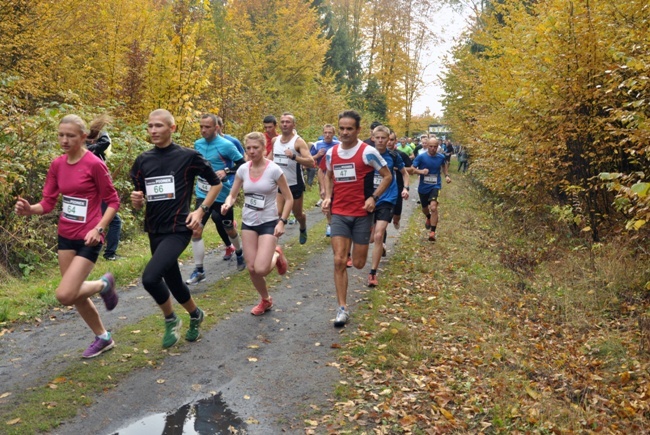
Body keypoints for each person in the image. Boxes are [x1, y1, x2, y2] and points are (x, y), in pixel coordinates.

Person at [15, 115, 120, 358]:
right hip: (65, 235)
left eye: (70, 135)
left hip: (89, 237)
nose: (64, 140)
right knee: (74, 294)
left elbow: (113, 201)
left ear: (83, 137)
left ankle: (104, 284)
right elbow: (48, 203)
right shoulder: (57, 165)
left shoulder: (94, 164)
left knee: (65, 294)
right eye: (61, 135)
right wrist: (30, 210)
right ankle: (103, 337)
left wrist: (99, 228)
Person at [130, 109, 222, 348]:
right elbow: (140, 199)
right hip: (155, 228)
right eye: (150, 126)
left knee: (150, 278)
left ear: (172, 128)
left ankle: (171, 319)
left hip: (179, 227)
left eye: (158, 126)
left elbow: (216, 183)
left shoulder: (188, 156)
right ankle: (195, 314)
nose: (153, 131)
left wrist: (200, 210)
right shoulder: (142, 161)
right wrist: (137, 202)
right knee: (172, 280)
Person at [321, 110, 391, 327]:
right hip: (340, 213)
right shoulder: (332, 153)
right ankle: (342, 308)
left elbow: (388, 176)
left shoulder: (367, 152)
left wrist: (374, 197)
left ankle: (361, 247)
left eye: (349, 128)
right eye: (341, 128)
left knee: (359, 263)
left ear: (358, 130)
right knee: (339, 260)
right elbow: (328, 176)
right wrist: (328, 197)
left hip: (362, 213)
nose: (344, 132)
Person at [221, 132, 292, 316]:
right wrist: (228, 202)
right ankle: (265, 300)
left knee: (261, 268)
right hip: (249, 222)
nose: (252, 151)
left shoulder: (274, 170)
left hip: (269, 222)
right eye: (249, 148)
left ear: (264, 148)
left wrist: (282, 221)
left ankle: (277, 254)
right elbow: (233, 193)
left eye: (256, 148)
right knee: (252, 268)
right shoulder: (243, 169)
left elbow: (289, 198)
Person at [186, 114, 247, 285]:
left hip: (222, 194)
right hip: (203, 194)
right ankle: (199, 270)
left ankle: (240, 252)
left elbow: (242, 163)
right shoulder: (197, 144)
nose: (203, 130)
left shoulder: (226, 145)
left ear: (216, 128)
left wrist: (226, 171)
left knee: (229, 228)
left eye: (207, 127)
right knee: (196, 229)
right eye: (201, 127)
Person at [367, 126, 409, 287]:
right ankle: (371, 232)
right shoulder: (366, 154)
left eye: (383, 138)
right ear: (372, 138)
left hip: (388, 198)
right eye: (377, 137)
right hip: (370, 198)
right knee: (369, 238)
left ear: (388, 139)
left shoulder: (393, 156)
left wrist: (405, 188)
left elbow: (404, 173)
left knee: (379, 235)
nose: (380, 141)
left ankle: (372, 273)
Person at [271, 112, 314, 244]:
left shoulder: (298, 142)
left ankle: (302, 227)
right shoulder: (275, 141)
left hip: (295, 183)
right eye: (282, 122)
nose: (284, 124)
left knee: (298, 214)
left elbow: (311, 162)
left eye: (288, 122)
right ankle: (272, 244)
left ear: (293, 125)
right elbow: (269, 158)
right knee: (277, 213)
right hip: (279, 183)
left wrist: (294, 157)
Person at [85, 115, 122, 261]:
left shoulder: (86, 151)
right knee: (114, 221)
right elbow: (105, 142)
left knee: (95, 220)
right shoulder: (91, 151)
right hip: (97, 191)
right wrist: (99, 133)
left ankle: (90, 251)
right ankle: (109, 254)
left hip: (93, 191)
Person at [412, 136, 451, 241]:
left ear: (438, 146)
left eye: (435, 146)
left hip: (435, 185)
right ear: (427, 146)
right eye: (431, 146)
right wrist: (421, 172)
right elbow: (412, 169)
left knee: (433, 207)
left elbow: (444, 165)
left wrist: (446, 175)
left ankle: (432, 232)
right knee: (425, 209)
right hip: (423, 187)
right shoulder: (421, 157)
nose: (433, 149)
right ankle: (428, 217)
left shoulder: (441, 157)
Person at [311, 124, 340, 236]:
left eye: (330, 133)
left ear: (333, 134)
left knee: (335, 201)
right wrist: (318, 155)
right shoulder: (317, 144)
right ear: (322, 133)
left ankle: (336, 224)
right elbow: (308, 159)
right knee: (326, 200)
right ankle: (329, 224)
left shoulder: (338, 144)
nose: (327, 135)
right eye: (325, 133)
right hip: (322, 175)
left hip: (335, 177)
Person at [387, 130, 412, 229]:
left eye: (392, 140)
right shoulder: (377, 154)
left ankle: (396, 220)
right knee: (383, 218)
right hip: (384, 189)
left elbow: (411, 169)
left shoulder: (400, 155)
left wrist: (398, 168)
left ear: (396, 141)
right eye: (387, 139)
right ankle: (382, 241)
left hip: (398, 187)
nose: (389, 142)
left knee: (396, 215)